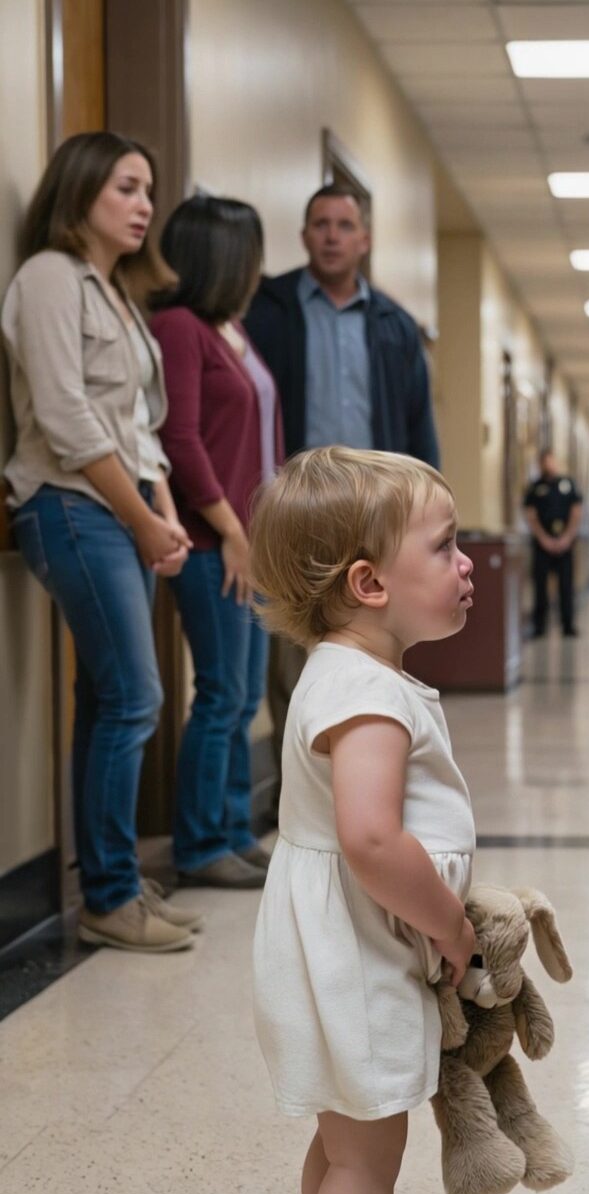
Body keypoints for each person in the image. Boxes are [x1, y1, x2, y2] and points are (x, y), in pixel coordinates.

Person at [248, 446, 484, 1194]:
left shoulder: (344, 671)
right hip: (356, 949)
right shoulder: (368, 696)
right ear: (370, 582)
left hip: (332, 942)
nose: (468, 563)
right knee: (366, 1150)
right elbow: (374, 841)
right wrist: (453, 928)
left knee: (344, 1140)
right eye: (448, 545)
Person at [2, 131, 201, 953]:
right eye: (126, 187)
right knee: (137, 697)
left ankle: (111, 881)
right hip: (70, 507)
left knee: (107, 697)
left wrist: (164, 514)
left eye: (148, 189)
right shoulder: (50, 278)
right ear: (80, 190)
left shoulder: (122, 296)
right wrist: (143, 517)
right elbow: (66, 417)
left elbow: (141, 430)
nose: (144, 205)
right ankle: (111, 896)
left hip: (118, 513)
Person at [243, 184, 441, 777]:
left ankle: (368, 777)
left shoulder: (393, 325)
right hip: (297, 507)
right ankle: (298, 785)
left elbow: (416, 422)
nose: (331, 235)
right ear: (304, 237)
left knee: (374, 640)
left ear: (365, 239)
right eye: (320, 224)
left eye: (343, 225)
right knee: (291, 652)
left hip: (374, 514)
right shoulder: (268, 310)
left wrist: (428, 507)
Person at [150, 195, 284, 890]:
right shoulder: (179, 328)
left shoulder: (232, 329)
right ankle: (201, 844)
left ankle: (233, 829)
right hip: (211, 543)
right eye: (252, 252)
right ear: (224, 257)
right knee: (222, 691)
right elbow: (179, 439)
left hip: (252, 544)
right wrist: (232, 531)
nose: (260, 268)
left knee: (242, 694)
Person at [522, 449, 582, 637]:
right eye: (544, 461)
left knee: (566, 584)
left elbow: (576, 512)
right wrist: (544, 538)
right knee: (540, 586)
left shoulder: (568, 484)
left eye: (551, 460)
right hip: (542, 544)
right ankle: (540, 626)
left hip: (566, 542)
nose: (549, 464)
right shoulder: (534, 487)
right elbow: (530, 516)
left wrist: (567, 537)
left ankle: (568, 624)